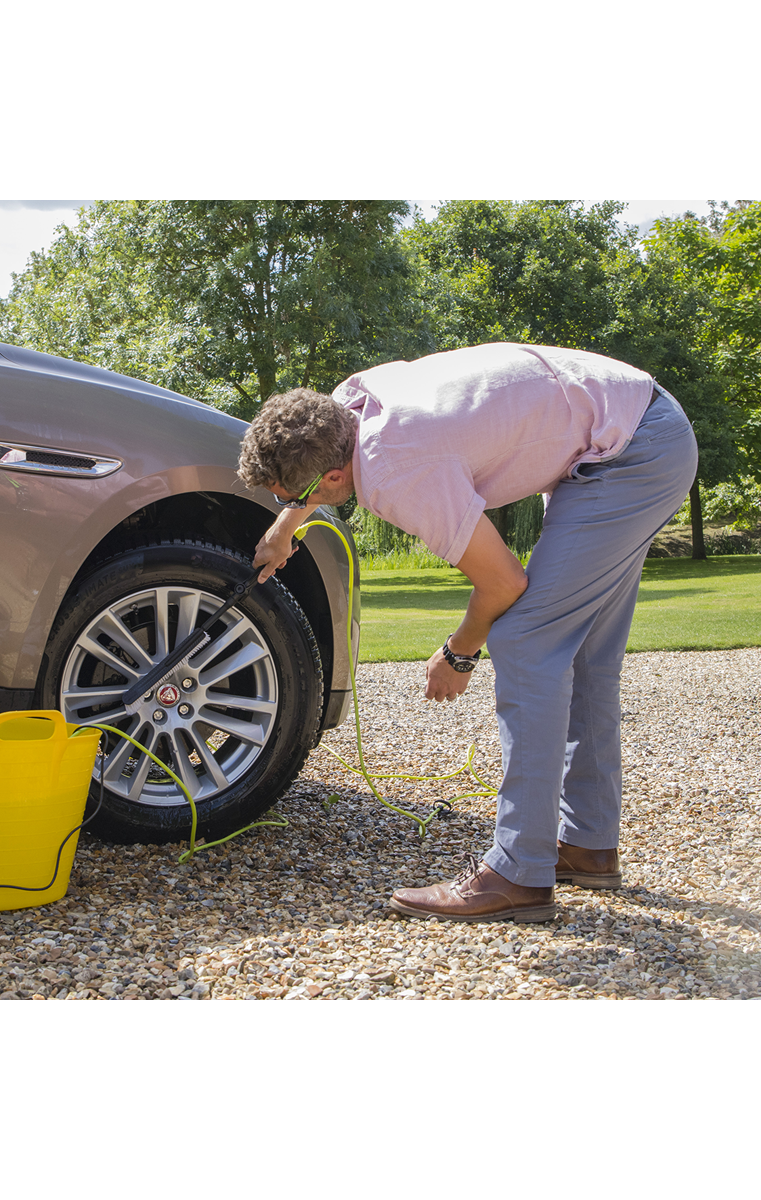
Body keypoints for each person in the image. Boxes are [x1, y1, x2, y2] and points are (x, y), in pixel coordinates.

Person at [237, 342, 698, 923]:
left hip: (631, 453)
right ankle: (587, 845)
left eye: (292, 497)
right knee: (582, 653)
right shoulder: (348, 404)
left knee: (526, 640)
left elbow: (504, 584)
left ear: (332, 476)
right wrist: (286, 528)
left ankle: (518, 874)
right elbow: (322, 463)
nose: (287, 505)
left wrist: (459, 652)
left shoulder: (397, 470)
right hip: (636, 420)